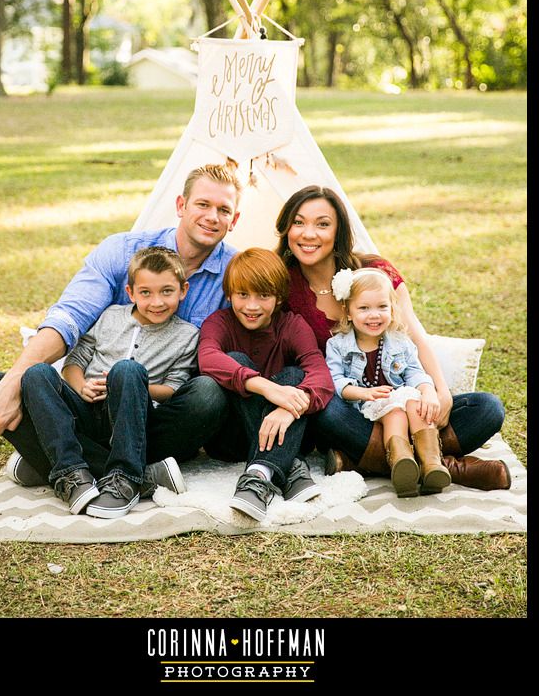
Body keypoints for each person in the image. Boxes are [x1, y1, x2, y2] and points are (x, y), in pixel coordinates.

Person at [0, 164, 242, 487]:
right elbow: (69, 318)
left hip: (156, 416)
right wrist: (14, 380)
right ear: (181, 206)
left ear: (234, 220)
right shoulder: (121, 251)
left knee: (208, 396)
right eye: (203, 204)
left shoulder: (234, 272)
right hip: (91, 407)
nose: (212, 216)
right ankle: (138, 475)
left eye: (223, 209)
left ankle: (55, 458)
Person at [275, 185, 511, 491]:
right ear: (287, 228)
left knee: (488, 409)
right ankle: (446, 466)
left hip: (407, 404)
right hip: (351, 411)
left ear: (339, 231)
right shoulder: (281, 283)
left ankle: (365, 461)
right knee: (323, 410)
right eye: (298, 222)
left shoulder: (375, 271)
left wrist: (439, 392)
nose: (309, 234)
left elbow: (415, 335)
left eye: (322, 224)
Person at [14, 247, 200, 517]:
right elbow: (74, 362)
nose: (157, 302)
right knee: (34, 374)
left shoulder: (187, 335)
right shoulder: (110, 316)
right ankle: (71, 472)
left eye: (167, 291)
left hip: (134, 422)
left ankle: (123, 476)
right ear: (130, 293)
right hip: (87, 413)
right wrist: (81, 387)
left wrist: (131, 386)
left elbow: (173, 388)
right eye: (146, 293)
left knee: (126, 370)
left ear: (183, 290)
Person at [198, 248, 334, 521]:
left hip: (287, 427)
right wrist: (264, 387)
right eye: (243, 295)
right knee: (235, 360)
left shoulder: (292, 326)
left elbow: (320, 374)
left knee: (295, 377)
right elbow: (208, 358)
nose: (251, 306)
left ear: (279, 298)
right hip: (232, 439)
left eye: (263, 296)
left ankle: (258, 475)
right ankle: (290, 464)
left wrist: (289, 407)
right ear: (229, 294)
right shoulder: (219, 323)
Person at [327, 267, 451, 497]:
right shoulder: (337, 346)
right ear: (349, 311)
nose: (374, 315)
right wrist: (362, 393)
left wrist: (428, 391)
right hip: (369, 408)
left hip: (402, 397)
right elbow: (335, 381)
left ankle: (431, 464)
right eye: (364, 308)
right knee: (395, 412)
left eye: (382, 307)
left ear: (392, 309)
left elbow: (415, 371)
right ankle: (401, 463)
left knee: (417, 407)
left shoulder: (399, 341)